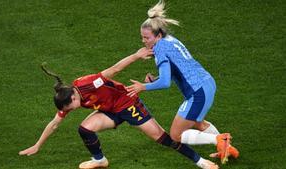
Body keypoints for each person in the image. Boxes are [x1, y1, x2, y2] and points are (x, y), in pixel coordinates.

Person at [18, 48, 220, 169]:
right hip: (110, 111)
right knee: (84, 128)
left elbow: (114, 70)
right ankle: (100, 160)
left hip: (128, 104)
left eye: (69, 106)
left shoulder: (87, 84)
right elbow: (54, 123)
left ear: (72, 96)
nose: (69, 110)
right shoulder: (71, 100)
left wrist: (136, 55)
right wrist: (37, 145)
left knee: (163, 138)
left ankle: (200, 162)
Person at [124, 0, 239, 164]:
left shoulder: (159, 48)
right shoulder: (171, 40)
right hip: (207, 84)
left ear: (158, 36)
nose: (144, 41)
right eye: (142, 37)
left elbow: (165, 82)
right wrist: (154, 79)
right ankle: (226, 148)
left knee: (176, 135)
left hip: (197, 92)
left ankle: (220, 139)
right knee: (198, 123)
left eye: (147, 38)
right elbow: (178, 68)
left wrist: (143, 86)